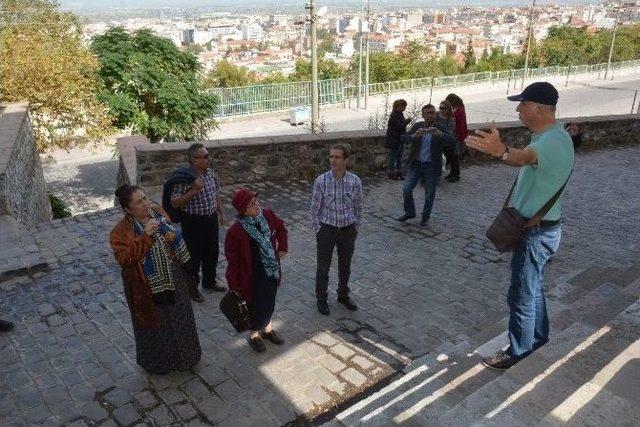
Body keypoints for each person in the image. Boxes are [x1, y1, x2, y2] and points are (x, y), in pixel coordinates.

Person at [465, 81, 574, 370]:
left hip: (535, 233)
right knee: (533, 288)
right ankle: (538, 339)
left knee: (521, 295)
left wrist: (500, 151)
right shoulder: (557, 136)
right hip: (545, 228)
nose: (518, 109)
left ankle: (519, 352)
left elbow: (523, 157)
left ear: (538, 109)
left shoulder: (548, 142)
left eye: (523, 104)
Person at [110, 184, 201, 374]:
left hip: (175, 276)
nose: (145, 204)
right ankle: (159, 364)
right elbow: (125, 259)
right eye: (139, 202)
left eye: (145, 197)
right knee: (157, 325)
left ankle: (188, 358)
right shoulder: (120, 232)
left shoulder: (158, 211)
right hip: (147, 286)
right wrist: (145, 236)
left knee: (180, 318)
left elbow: (174, 236)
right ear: (128, 209)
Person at [224, 188, 288, 353]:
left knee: (269, 300)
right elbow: (233, 262)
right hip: (252, 276)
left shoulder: (267, 215)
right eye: (251, 204)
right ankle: (254, 335)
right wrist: (234, 284)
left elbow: (281, 228)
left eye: (256, 201)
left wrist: (283, 247)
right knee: (255, 305)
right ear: (243, 210)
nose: (256, 205)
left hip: (271, 270)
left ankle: (267, 330)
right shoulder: (235, 232)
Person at [310, 143, 364, 316]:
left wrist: (356, 227)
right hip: (327, 229)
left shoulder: (355, 181)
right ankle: (321, 299)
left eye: (337, 157)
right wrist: (318, 229)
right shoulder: (321, 181)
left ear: (346, 160)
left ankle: (343, 295)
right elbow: (314, 209)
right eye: (331, 156)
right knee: (323, 267)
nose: (333, 160)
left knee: (345, 266)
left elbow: (359, 206)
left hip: (348, 229)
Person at [170, 143, 228, 302]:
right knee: (194, 257)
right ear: (194, 160)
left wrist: (221, 213)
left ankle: (209, 282)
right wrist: (194, 189)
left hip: (210, 219)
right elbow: (175, 203)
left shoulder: (210, 174)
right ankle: (192, 289)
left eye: (208, 155)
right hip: (193, 222)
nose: (209, 159)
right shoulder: (184, 178)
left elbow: (216, 194)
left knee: (212, 252)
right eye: (206, 156)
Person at [397, 104, 457, 226]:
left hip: (431, 166)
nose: (430, 115)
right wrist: (414, 136)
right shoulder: (418, 126)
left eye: (432, 112)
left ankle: (425, 217)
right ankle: (410, 212)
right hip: (416, 164)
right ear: (423, 115)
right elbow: (403, 138)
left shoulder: (440, 127)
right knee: (406, 189)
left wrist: (440, 134)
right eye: (427, 113)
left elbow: (452, 141)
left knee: (429, 194)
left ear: (435, 114)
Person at [385, 99, 412, 180]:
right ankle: (391, 173)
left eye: (404, 106)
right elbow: (399, 127)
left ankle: (399, 172)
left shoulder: (400, 114)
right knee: (393, 156)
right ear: (397, 107)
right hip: (394, 139)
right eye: (403, 106)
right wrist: (407, 121)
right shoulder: (394, 116)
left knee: (400, 156)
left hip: (400, 139)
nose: (404, 108)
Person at [446, 93, 469, 176]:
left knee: (454, 156)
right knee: (453, 156)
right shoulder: (459, 108)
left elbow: (452, 119)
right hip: (458, 135)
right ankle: (453, 173)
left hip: (457, 136)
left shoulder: (458, 110)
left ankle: (455, 174)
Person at [437, 99, 460, 182]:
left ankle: (456, 175)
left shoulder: (451, 118)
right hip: (443, 142)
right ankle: (451, 173)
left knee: (454, 158)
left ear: (448, 109)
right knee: (449, 158)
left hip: (451, 141)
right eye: (440, 108)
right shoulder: (437, 115)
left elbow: (450, 130)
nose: (441, 110)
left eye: (443, 108)